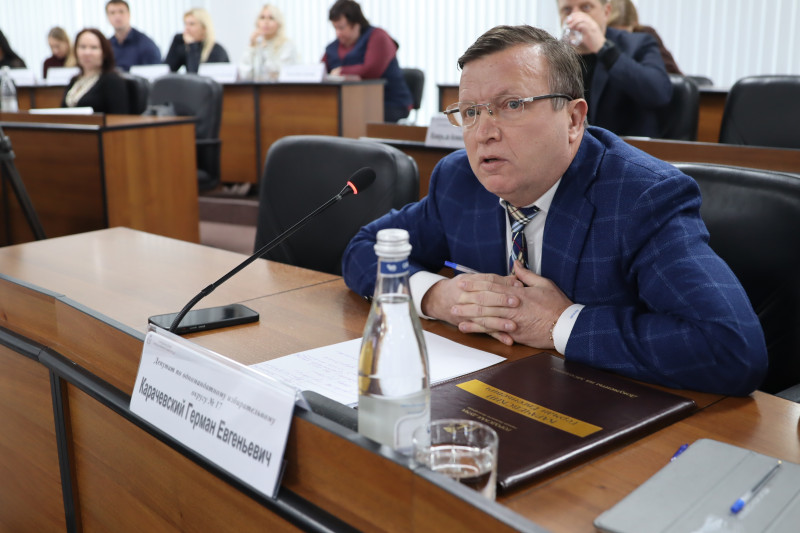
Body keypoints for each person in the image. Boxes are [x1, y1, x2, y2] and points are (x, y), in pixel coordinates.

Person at [341, 25, 768, 397]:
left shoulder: (640, 198)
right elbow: (363, 249)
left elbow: (732, 348)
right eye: (470, 112)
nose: (484, 132)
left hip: (604, 415)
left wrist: (561, 324)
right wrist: (436, 297)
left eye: (511, 105)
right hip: (490, 395)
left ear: (574, 120)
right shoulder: (460, 181)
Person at [558, 0, 672, 137]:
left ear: (606, 11)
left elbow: (659, 93)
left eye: (586, 7)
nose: (576, 17)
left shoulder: (637, 44)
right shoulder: (556, 55)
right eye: (567, 10)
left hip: (622, 145)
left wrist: (603, 48)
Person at [322, 0, 413, 123]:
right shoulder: (333, 47)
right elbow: (320, 71)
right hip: (353, 103)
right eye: (335, 28)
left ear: (356, 24)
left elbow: (370, 70)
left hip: (389, 103)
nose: (338, 33)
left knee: (349, 118)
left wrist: (341, 72)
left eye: (341, 28)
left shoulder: (378, 36)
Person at [61, 28, 130, 114]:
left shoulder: (112, 80)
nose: (87, 52)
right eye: (82, 47)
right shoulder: (74, 80)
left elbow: (119, 117)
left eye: (94, 47)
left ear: (104, 52)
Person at [607, 0, 682, 75]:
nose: (619, 38)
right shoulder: (601, 40)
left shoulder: (646, 36)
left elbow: (672, 72)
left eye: (625, 34)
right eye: (614, 33)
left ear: (634, 24)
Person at [239, 4, 299, 81]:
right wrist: (251, 47)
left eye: (271, 18)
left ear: (279, 23)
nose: (266, 22)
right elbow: (244, 75)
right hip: (256, 88)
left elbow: (276, 75)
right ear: (257, 22)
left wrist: (265, 49)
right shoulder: (256, 44)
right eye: (262, 17)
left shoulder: (287, 45)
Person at [165, 8, 229, 73]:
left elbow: (194, 75)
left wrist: (192, 47)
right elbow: (166, 71)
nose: (187, 28)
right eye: (185, 24)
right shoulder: (187, 48)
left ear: (204, 28)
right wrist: (176, 42)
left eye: (192, 24)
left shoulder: (216, 51)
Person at [105, 0, 162, 72]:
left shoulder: (146, 45)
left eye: (121, 12)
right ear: (107, 17)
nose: (117, 16)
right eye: (112, 13)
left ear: (129, 14)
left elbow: (155, 73)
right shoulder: (107, 46)